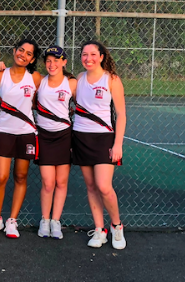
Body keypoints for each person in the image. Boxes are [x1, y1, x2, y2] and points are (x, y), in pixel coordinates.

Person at [0, 39, 41, 239]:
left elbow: (41, 99)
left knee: (20, 176)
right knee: (1, 176)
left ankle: (12, 220)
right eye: (20, 50)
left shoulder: (35, 79)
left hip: (26, 133)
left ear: (32, 59)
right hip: (3, 132)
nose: (23, 55)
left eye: (28, 53)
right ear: (14, 50)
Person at [73, 41, 126, 249]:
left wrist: (118, 144)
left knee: (104, 186)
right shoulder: (79, 78)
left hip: (104, 138)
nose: (88, 58)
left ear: (102, 56)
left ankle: (116, 226)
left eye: (93, 54)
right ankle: (100, 229)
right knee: (91, 186)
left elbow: (121, 114)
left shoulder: (111, 79)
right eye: (84, 55)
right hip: (80, 137)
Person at [35, 46, 76, 240]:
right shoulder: (39, 81)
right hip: (44, 136)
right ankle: (44, 220)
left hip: (64, 135)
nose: (52, 64)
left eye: (56, 60)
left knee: (61, 182)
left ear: (64, 62)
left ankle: (55, 221)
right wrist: (1, 67)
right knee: (48, 182)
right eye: (49, 61)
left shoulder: (71, 83)